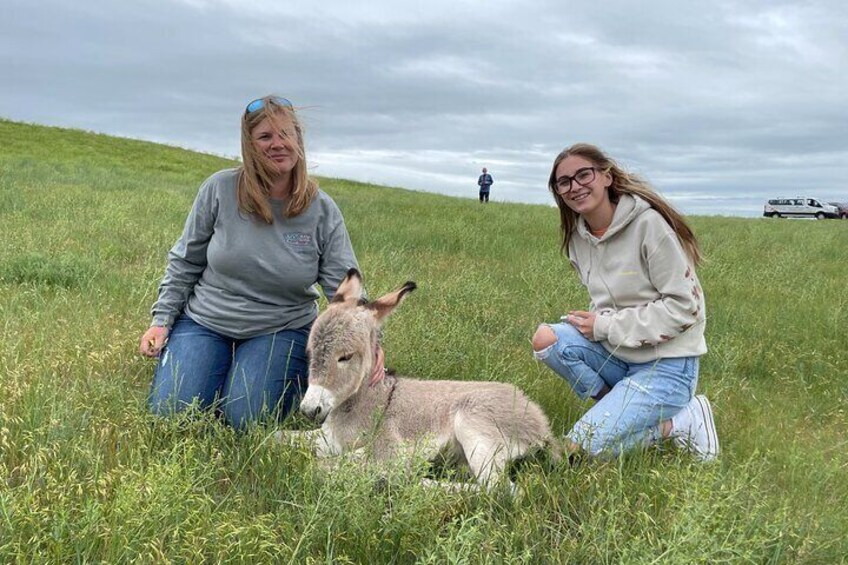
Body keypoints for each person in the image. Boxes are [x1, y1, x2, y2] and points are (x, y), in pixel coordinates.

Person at [139, 95, 360, 429]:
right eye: (265, 137)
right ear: (250, 145)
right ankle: (211, 368)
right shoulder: (219, 189)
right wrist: (162, 320)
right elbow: (184, 261)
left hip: (280, 328)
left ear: (299, 141)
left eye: (286, 134)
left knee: (244, 419)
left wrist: (365, 343)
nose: (278, 144)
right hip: (206, 322)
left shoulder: (322, 209)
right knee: (171, 414)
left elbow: (343, 290)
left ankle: (264, 376)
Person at [531, 143, 718, 461]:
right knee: (547, 339)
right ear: (559, 192)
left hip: (668, 367)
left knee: (574, 454)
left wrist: (604, 325)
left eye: (584, 174)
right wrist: (595, 320)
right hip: (621, 355)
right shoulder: (578, 237)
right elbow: (609, 298)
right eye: (565, 182)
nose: (575, 186)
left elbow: (685, 307)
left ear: (606, 176)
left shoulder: (649, 225)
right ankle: (616, 408)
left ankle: (680, 422)